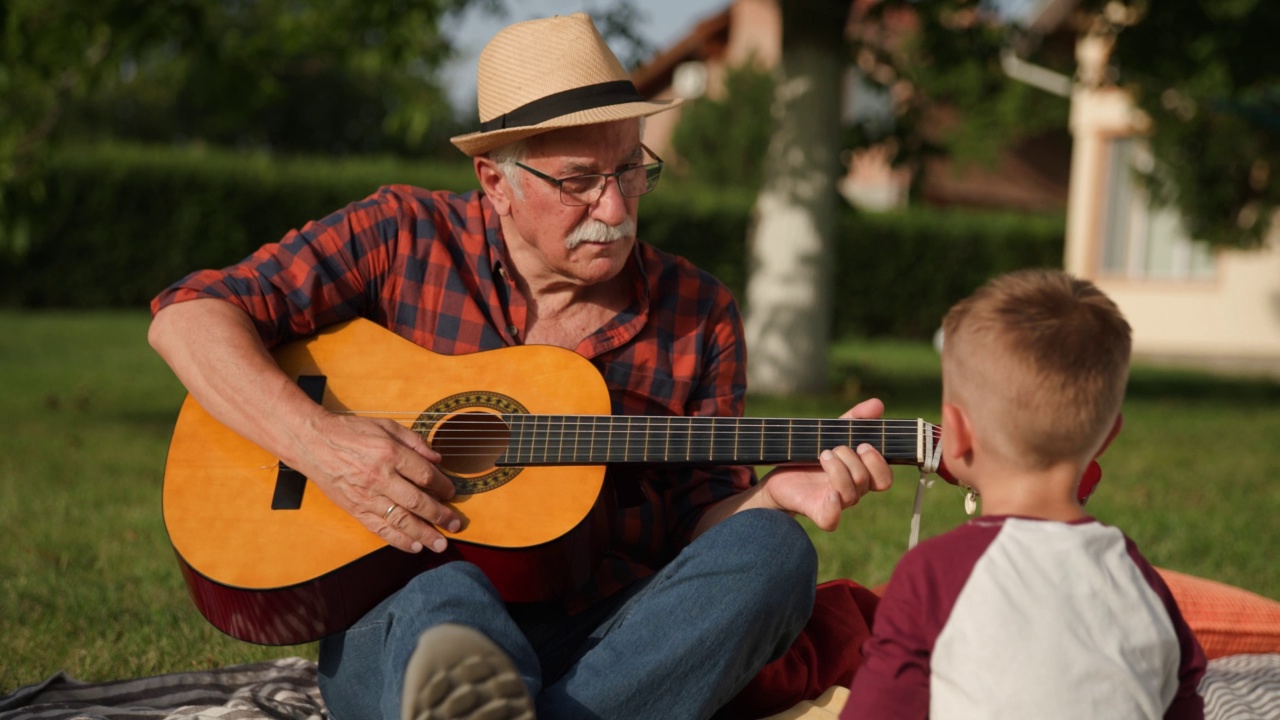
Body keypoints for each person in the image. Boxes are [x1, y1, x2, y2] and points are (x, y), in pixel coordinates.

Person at [148, 13, 895, 720]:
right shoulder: (402, 236)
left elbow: (699, 532)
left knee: (774, 555)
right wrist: (320, 443)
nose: (615, 204)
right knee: (451, 594)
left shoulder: (698, 311)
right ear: (495, 181)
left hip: (611, 638)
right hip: (409, 624)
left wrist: (771, 499)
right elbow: (189, 317)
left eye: (631, 168)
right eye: (578, 179)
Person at [842, 269, 1206, 719]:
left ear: (954, 435)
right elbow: (1184, 702)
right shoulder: (1139, 579)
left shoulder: (932, 576)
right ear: (1109, 436)